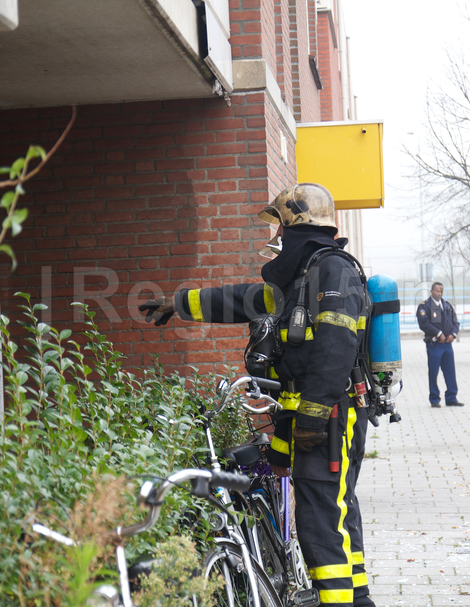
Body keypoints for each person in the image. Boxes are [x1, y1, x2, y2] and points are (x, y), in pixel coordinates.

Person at [139, 182, 376, 607]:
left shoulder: (331, 271)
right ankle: (357, 598)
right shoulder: (300, 279)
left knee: (321, 519)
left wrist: (312, 416)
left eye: (281, 228)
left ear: (295, 225)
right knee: (337, 510)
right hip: (312, 416)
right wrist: (179, 303)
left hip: (329, 417)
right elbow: (238, 301)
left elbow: (336, 350)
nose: (278, 239)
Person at [416, 282, 463, 408]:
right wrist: (438, 333)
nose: (439, 293)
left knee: (450, 371)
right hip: (434, 344)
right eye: (437, 291)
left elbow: (455, 322)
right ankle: (434, 398)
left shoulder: (447, 305)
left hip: (447, 344)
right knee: (434, 372)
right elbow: (424, 324)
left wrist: (453, 334)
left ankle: (451, 397)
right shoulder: (425, 307)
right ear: (431, 291)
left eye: (441, 291)